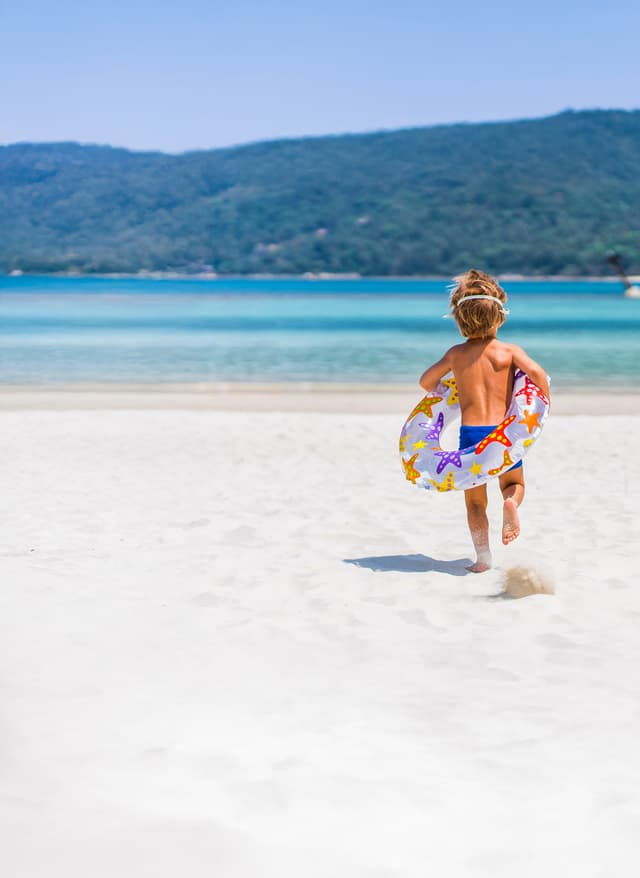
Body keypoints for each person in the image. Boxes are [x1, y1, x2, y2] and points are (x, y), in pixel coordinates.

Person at [418, 270, 550, 573]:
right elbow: (538, 375)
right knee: (513, 482)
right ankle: (511, 505)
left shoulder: (456, 354)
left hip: (470, 434)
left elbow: (426, 381)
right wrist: (541, 406)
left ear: (459, 320)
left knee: (475, 502)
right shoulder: (509, 351)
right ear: (500, 317)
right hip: (503, 433)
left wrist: (446, 391)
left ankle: (482, 558)